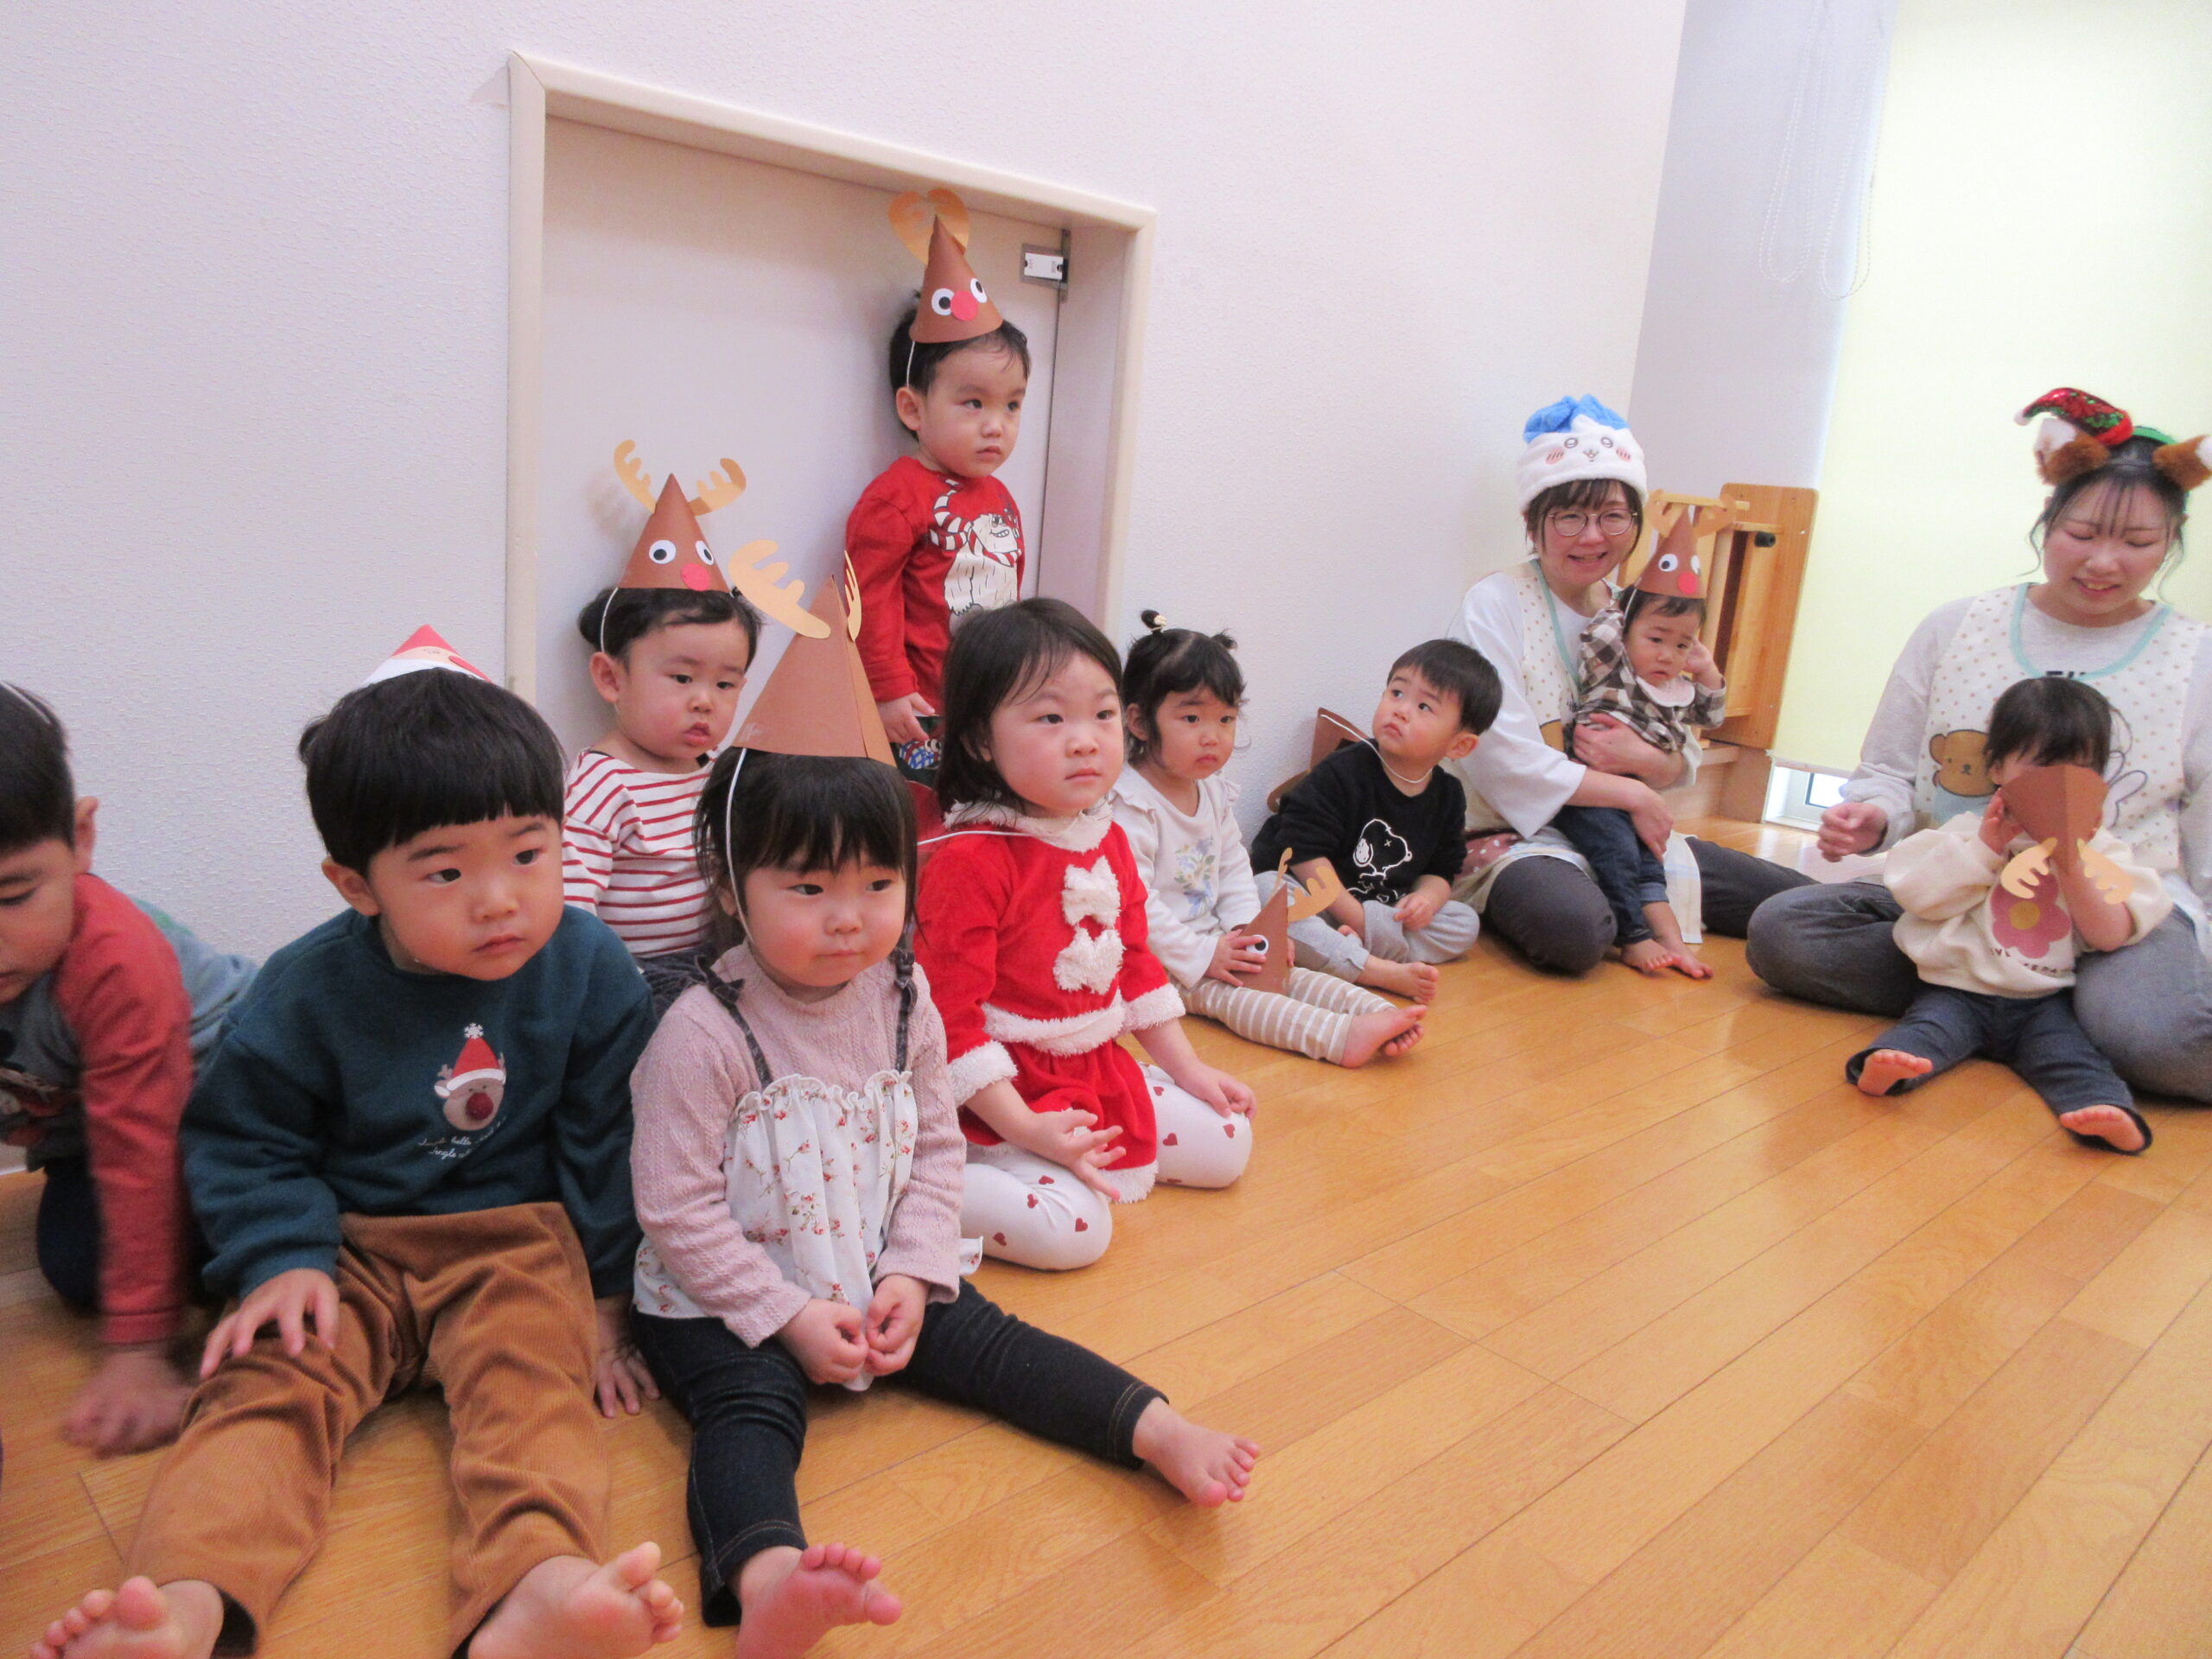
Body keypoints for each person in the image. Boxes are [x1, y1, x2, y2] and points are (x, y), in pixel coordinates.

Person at [30, 645, 682, 1659]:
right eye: (446, 871)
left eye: (529, 853)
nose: (500, 899)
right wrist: (280, 1260)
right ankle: (186, 1603)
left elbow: (605, 1140)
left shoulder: (591, 969)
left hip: (512, 1246)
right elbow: (247, 1141)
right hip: (346, 1248)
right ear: (355, 884)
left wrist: (602, 1301)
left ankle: (537, 1587)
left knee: (534, 1397)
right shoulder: (301, 993)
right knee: (262, 1392)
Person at [628, 747, 1258, 1658]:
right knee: (750, 1410)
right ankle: (769, 1583)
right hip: (725, 1296)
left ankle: (1155, 1429)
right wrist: (785, 1314)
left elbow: (933, 1148)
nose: (849, 918)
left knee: (997, 1344)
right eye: (807, 888)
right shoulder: (701, 1030)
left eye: (879, 883)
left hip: (876, 1263)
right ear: (730, 886)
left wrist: (914, 1270)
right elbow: (676, 1211)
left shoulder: (903, 995)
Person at [1749, 390, 2212, 1104]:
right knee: (1785, 933)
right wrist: (1874, 816)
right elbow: (1888, 772)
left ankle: (1993, 1006)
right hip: (1959, 897)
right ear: (2048, 517)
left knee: (2162, 1042)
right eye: (2082, 533)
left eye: (2138, 543)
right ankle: (2039, 1012)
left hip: (2114, 916)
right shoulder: (1957, 626)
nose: (2104, 561)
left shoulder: (2196, 657)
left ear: (2172, 539)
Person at [916, 599, 1255, 1271]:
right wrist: (1026, 1128)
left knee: (1228, 1142)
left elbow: (1137, 967)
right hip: (998, 1097)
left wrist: (1188, 1070)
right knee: (1074, 1233)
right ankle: (925, 1189)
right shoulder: (971, 858)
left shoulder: (1107, 835)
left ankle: (1080, 1145)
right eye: (1051, 719)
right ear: (981, 739)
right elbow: (948, 1024)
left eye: (1102, 714)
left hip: (1091, 1068)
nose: (1086, 741)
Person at [1444, 395, 1806, 973]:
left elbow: (1681, 742)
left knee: (1795, 898)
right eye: (1569, 517)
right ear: (1533, 523)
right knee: (1574, 932)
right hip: (1513, 835)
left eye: (1613, 516)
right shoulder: (1495, 603)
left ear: (1636, 522)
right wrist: (1634, 793)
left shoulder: (1642, 615)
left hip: (1625, 835)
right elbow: (1499, 757)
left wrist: (1649, 763)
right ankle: (1616, 912)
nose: (1593, 537)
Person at [0, 684, 253, 1457]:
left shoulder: (115, 959)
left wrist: (140, 1351)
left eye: (13, 895)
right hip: (90, 1128)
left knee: (253, 1243)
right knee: (77, 1267)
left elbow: (141, 1147)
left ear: (81, 840)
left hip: (234, 1104)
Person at [1849, 677, 2167, 1152]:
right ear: (1997, 769)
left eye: (2080, 769)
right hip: (1958, 990)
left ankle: (2109, 1114)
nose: (2059, 783)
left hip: (2045, 1001)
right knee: (1923, 1033)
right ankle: (1884, 1069)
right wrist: (1986, 849)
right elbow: (1920, 897)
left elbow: (2110, 934)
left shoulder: (2105, 853)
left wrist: (2071, 863)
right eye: (2042, 766)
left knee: (2074, 1058)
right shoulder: (1964, 834)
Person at [1111, 615, 1425, 1066]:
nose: (1213, 736)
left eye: (1226, 718)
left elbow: (1234, 868)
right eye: (1192, 718)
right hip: (1162, 959)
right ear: (1140, 722)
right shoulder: (1130, 803)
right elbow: (1136, 905)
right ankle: (1340, 1038)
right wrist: (1206, 955)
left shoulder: (1211, 790)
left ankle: (1376, 1012)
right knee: (1241, 1001)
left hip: (1216, 938)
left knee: (1286, 973)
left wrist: (1249, 931)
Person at [848, 191, 1029, 786]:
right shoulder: (898, 495)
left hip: (988, 698)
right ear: (913, 407)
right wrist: (887, 688)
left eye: (1012, 405)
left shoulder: (1000, 496)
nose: (996, 424)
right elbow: (870, 597)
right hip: (918, 711)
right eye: (973, 403)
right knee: (921, 813)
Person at [1249, 640, 1498, 1001]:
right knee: (1264, 893)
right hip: (1315, 898)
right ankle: (1375, 968)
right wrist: (1360, 920)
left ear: (1459, 746)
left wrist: (1426, 900)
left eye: (1424, 706)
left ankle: (1343, 954)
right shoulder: (1343, 770)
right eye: (1397, 693)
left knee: (1463, 922)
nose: (1401, 710)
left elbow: (1442, 870)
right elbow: (1304, 855)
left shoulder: (1448, 795)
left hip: (1383, 913)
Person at [563, 582, 760, 1001]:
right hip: (639, 973)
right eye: (682, 678)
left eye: (725, 685)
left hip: (722, 954)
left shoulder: (717, 768)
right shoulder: (601, 786)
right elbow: (571, 908)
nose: (704, 701)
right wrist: (618, 983)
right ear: (611, 678)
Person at [1550, 557, 1729, 979]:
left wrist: (1706, 668)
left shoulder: (1674, 686)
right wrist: (1624, 605)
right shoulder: (1613, 666)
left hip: (1637, 792)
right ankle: (1632, 937)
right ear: (1626, 630)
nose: (1667, 655)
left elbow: (1712, 715)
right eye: (1655, 638)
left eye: (1682, 645)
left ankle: (1672, 939)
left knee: (1651, 863)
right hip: (1592, 789)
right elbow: (1604, 628)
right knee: (1618, 853)